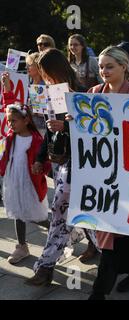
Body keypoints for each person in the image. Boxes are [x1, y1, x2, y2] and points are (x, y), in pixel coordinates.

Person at [25, 49, 97, 286]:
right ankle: (47, 266)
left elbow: (93, 132)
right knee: (68, 211)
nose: (44, 78)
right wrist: (40, 157)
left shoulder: (82, 92)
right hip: (63, 164)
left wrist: (65, 128)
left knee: (67, 210)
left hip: (82, 164)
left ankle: (46, 266)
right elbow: (49, 131)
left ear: (55, 69)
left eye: (46, 72)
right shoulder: (54, 93)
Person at [86, 46, 129, 300]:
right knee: (108, 230)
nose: (104, 71)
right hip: (101, 174)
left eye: (109, 66)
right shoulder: (92, 94)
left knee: (126, 231)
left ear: (124, 66)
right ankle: (100, 290)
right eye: (101, 66)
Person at [0, 103, 51, 264]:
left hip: (30, 184)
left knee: (34, 214)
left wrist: (40, 166)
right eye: (9, 121)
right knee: (17, 211)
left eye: (14, 121)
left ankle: (58, 230)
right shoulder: (11, 136)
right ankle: (22, 246)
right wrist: (7, 89)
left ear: (26, 120)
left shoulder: (36, 140)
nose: (10, 124)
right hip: (14, 180)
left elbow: (45, 160)